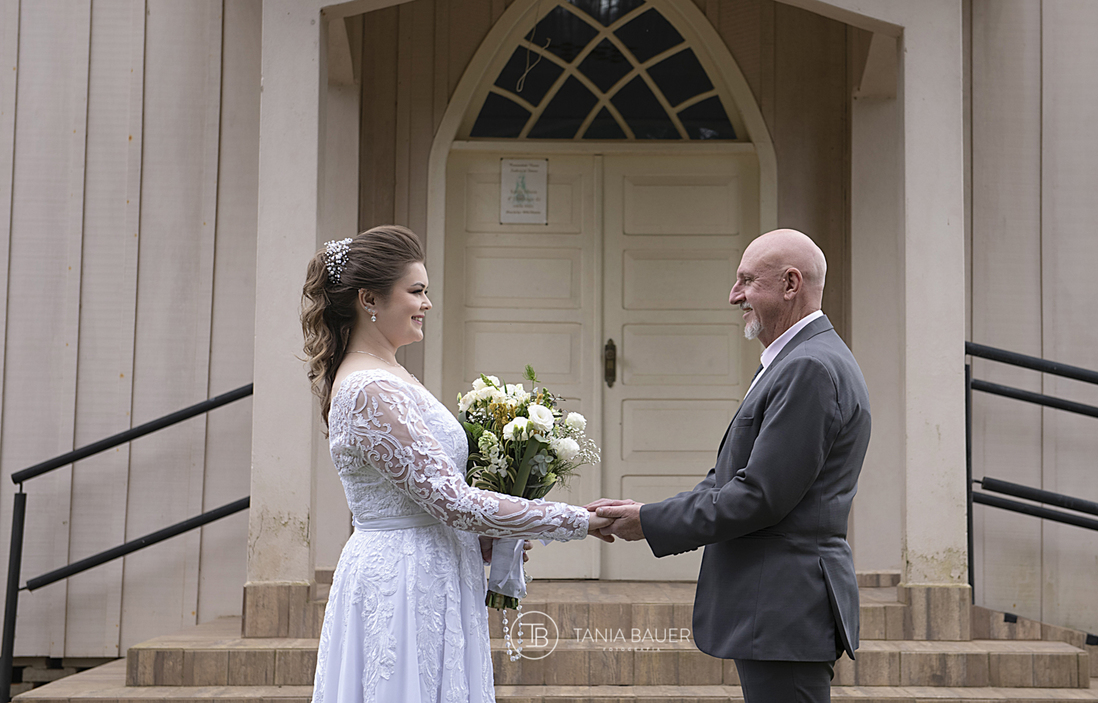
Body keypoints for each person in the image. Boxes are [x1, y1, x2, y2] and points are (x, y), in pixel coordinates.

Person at [300, 225, 611, 703]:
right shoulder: (369, 389)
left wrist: (485, 536)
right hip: (402, 579)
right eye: (416, 291)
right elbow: (454, 504)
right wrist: (580, 521)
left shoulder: (394, 373)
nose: (426, 304)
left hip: (438, 566)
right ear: (369, 300)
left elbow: (435, 500)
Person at [588, 229, 871, 703]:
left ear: (790, 284)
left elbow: (760, 496)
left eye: (746, 281)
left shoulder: (809, 368)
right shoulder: (796, 361)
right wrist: (649, 511)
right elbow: (728, 480)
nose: (734, 295)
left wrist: (651, 522)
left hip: (784, 607)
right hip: (777, 608)